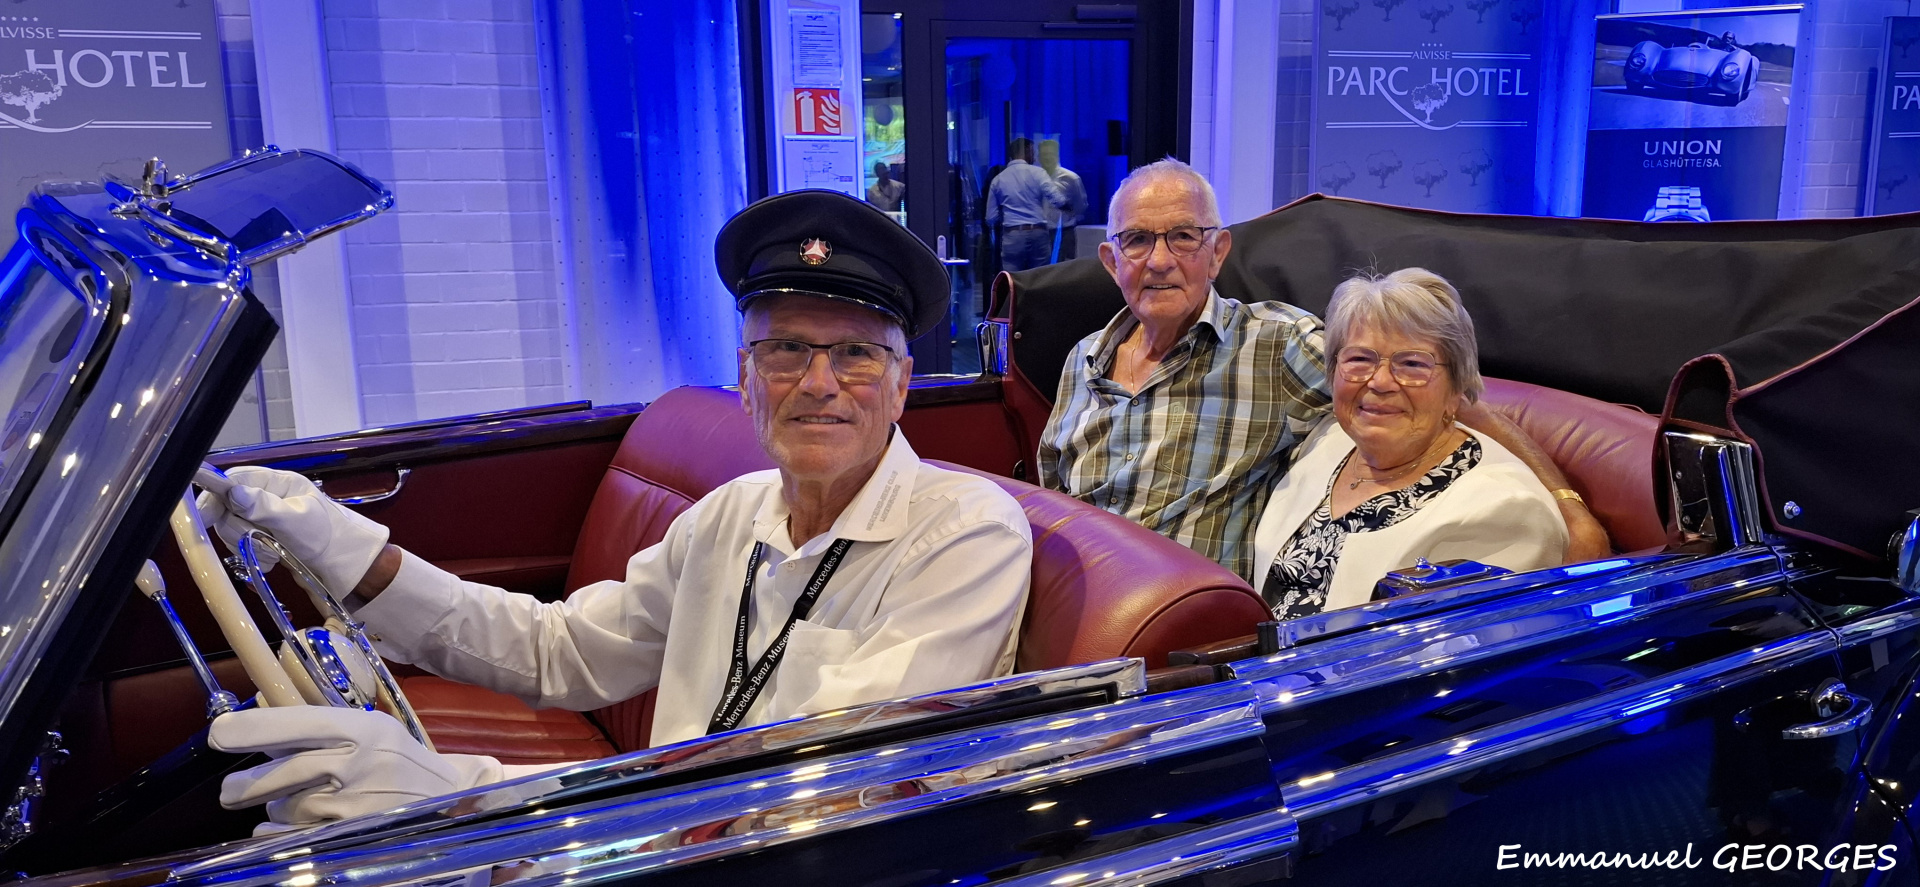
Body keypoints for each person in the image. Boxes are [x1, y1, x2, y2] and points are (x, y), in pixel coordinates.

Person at [199, 189, 1035, 831]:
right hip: (661, 841)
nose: (819, 383)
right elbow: (559, 650)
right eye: (785, 348)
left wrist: (465, 800)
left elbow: (814, 784)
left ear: (901, 383)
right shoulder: (730, 514)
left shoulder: (964, 533)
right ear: (744, 376)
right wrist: (350, 556)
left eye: (855, 353)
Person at [1036, 158, 1608, 581]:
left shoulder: (1275, 343)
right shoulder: (1083, 358)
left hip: (1186, 632)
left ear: (1218, 252)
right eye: (1137, 241)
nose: (1160, 261)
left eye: (1184, 237)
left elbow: (1443, 399)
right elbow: (1053, 495)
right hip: (1073, 597)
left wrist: (1570, 507)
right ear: (1111, 260)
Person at [1250, 268, 1565, 618]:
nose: (1380, 382)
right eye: (1359, 359)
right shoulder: (1329, 439)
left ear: (1456, 389)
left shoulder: (1505, 510)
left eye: (1412, 364)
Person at [985, 137, 1068, 272]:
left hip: (1012, 235)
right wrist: (1068, 207)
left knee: (1013, 277)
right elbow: (1057, 199)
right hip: (1038, 233)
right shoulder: (1038, 173)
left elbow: (991, 218)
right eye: (1032, 152)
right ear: (1027, 151)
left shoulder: (998, 179)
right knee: (1040, 276)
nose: (1034, 157)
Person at [1037, 139, 1087, 261]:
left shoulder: (1070, 178)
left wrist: (1068, 215)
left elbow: (1081, 205)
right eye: (1044, 155)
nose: (1047, 158)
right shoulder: (1034, 177)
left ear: (1057, 155)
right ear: (1038, 157)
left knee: (1063, 267)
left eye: (1050, 154)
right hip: (1039, 232)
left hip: (1064, 231)